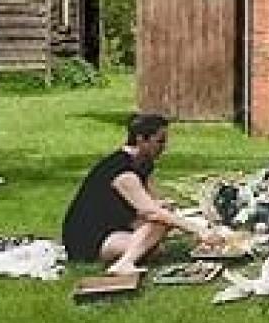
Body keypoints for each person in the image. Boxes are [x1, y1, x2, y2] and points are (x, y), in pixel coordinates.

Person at [61, 113, 216, 274]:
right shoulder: (122, 171)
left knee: (156, 244)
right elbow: (151, 212)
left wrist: (165, 207)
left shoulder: (143, 163)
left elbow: (150, 202)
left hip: (114, 228)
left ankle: (130, 255)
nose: (164, 147)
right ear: (141, 139)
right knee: (160, 222)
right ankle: (123, 264)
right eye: (160, 141)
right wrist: (199, 230)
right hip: (87, 240)